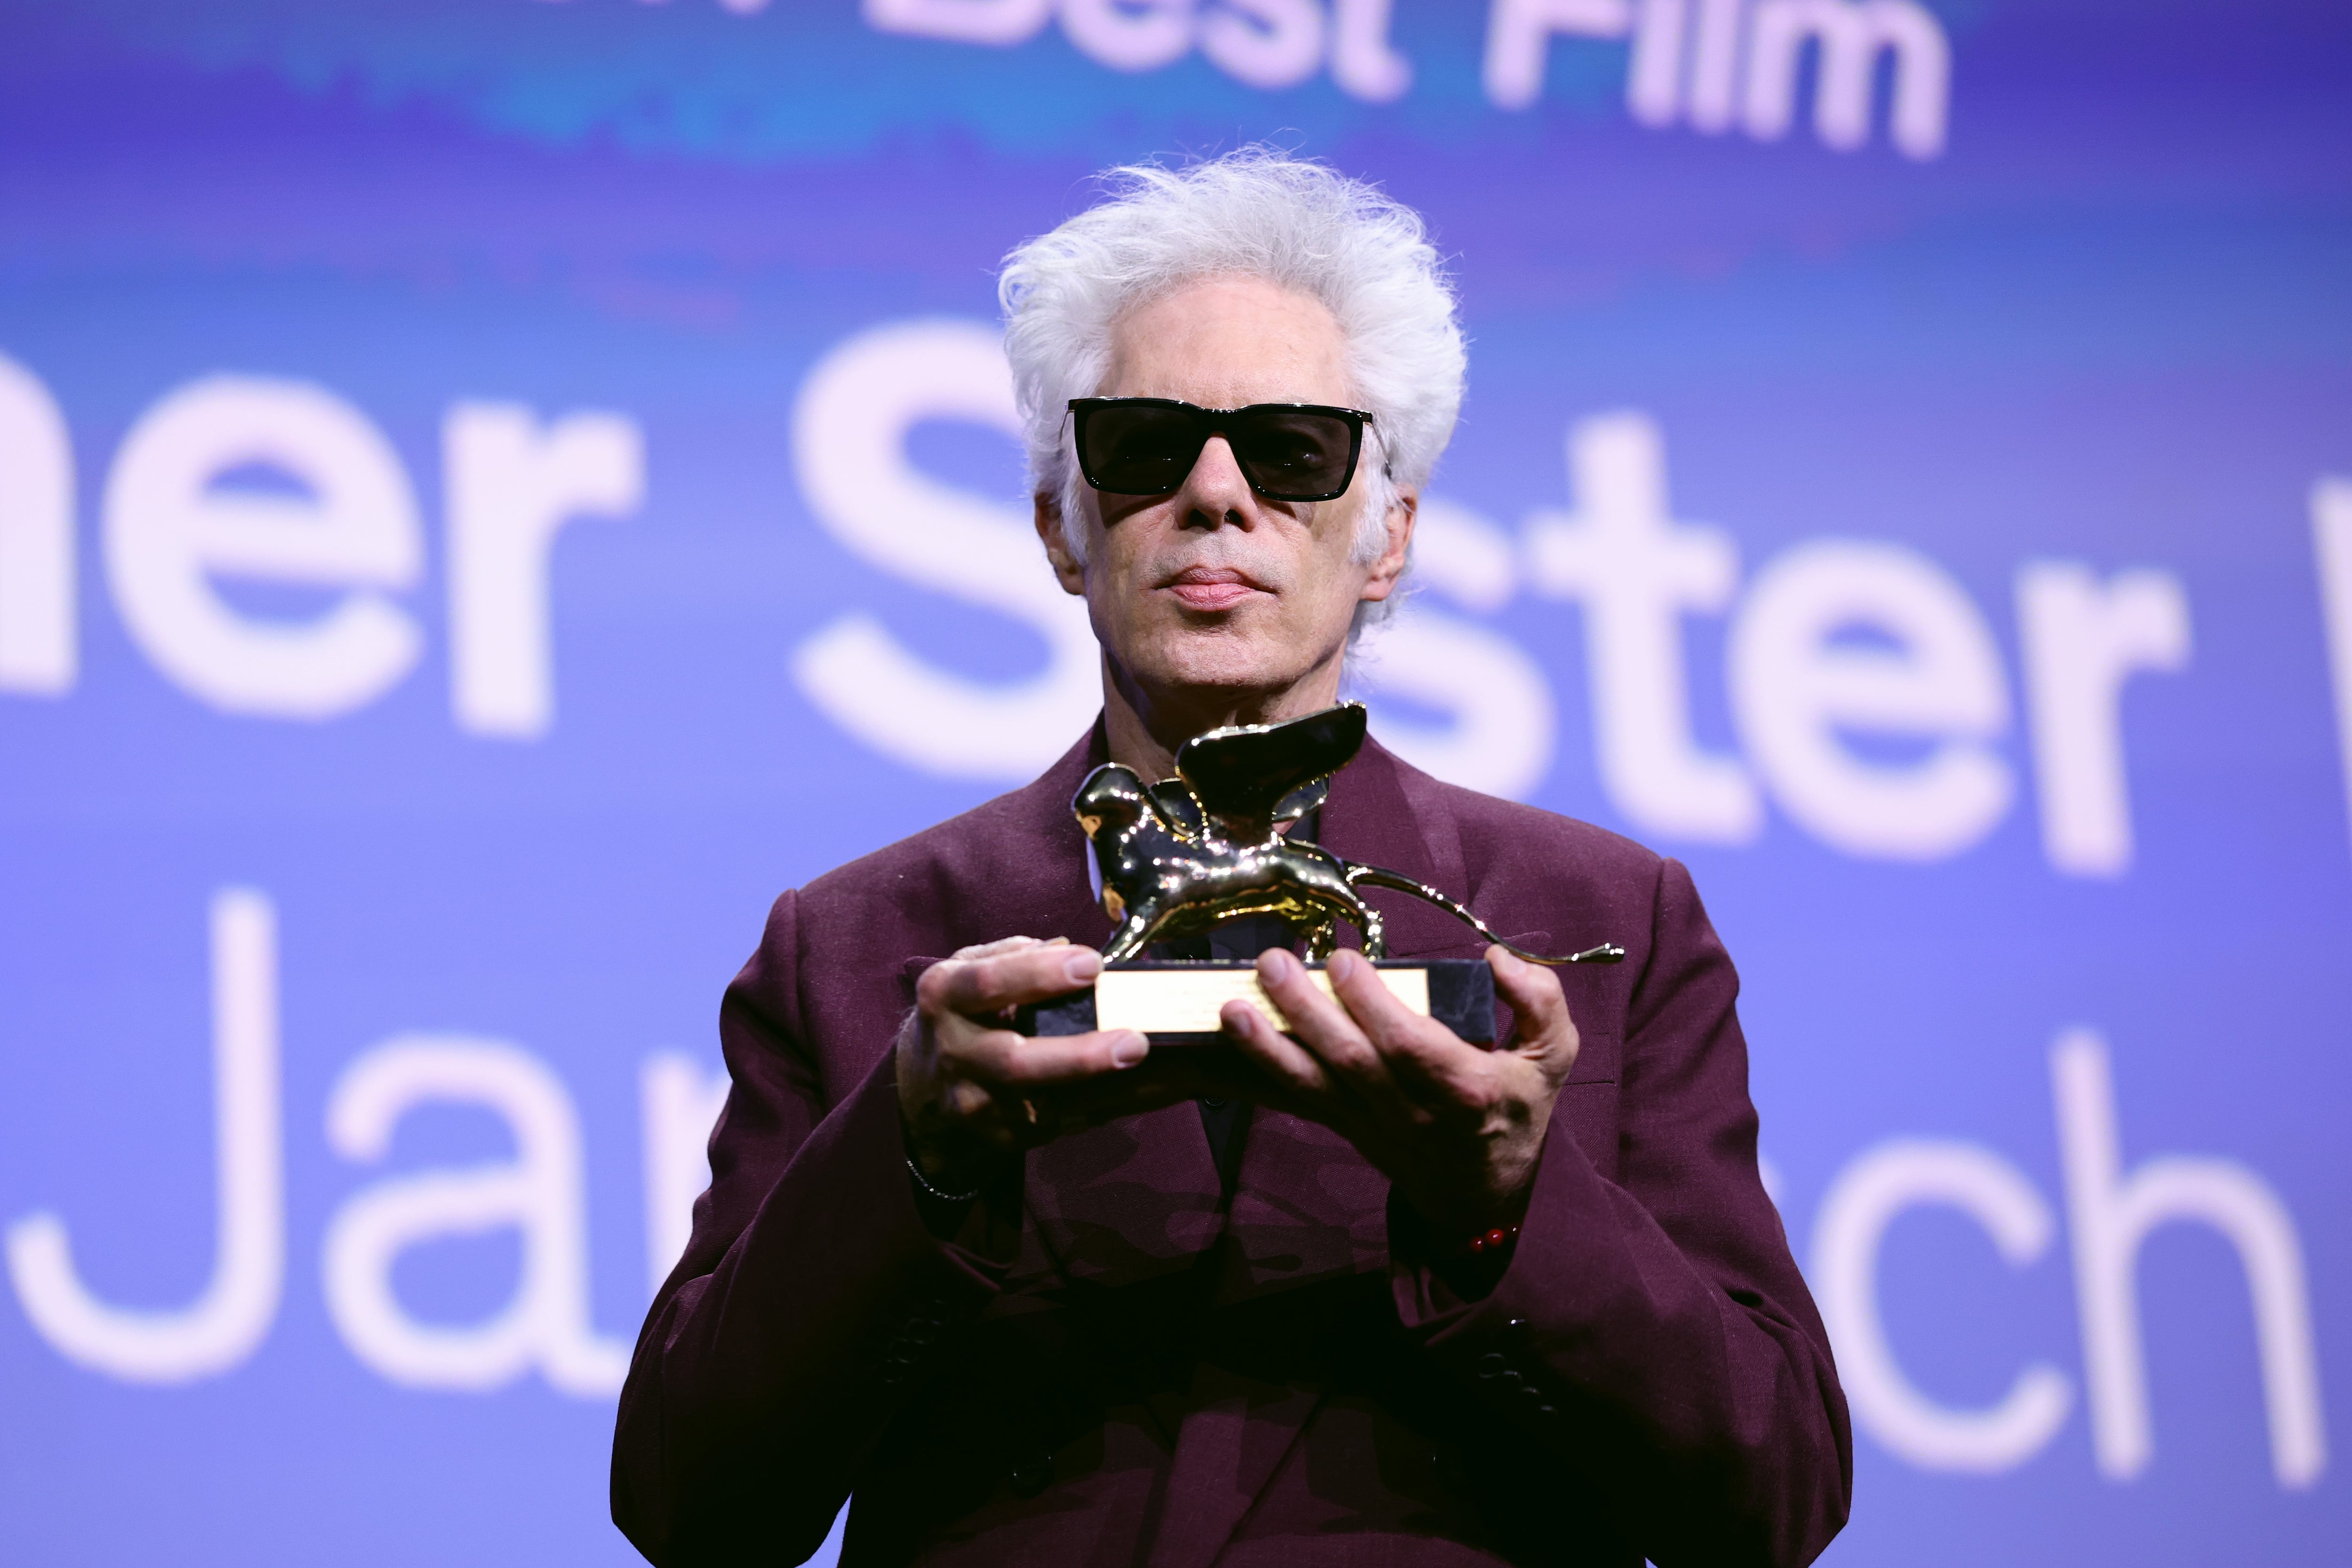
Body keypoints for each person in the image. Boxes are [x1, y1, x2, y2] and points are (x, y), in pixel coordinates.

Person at [611, 150, 1850, 1568]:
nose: (1214, 494)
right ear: (1059, 530)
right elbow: (691, 1507)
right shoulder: (855, 947)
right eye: (1143, 447)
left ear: (1388, 534)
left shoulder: (1603, 917)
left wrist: (1511, 1209)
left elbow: (1774, 1495)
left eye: (1292, 449)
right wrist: (921, 1164)